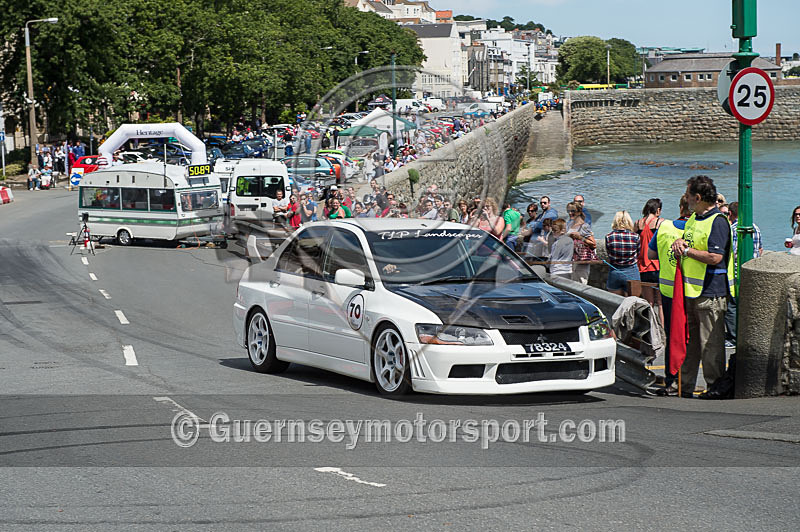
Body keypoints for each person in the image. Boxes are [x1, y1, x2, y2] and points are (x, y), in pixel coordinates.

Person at [670, 175, 735, 398]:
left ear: (697, 197)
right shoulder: (694, 219)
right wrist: (680, 243)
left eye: (688, 195)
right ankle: (683, 386)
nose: (685, 199)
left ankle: (715, 387)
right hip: (691, 290)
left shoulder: (718, 221)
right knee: (690, 343)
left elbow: (716, 257)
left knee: (711, 345)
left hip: (711, 292)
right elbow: (688, 240)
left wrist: (687, 251)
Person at [647, 196, 691, 395]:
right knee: (690, 338)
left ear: (680, 207)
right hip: (692, 291)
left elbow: (651, 255)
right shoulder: (697, 229)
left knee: (672, 336)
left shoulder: (664, 227)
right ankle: (686, 381)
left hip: (668, 290)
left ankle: (672, 379)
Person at [724, 201, 763, 347]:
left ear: (731, 214)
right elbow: (760, 249)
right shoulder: (756, 227)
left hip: (736, 272)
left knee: (732, 304)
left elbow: (732, 252)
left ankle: (734, 337)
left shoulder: (733, 229)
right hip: (753, 270)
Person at [605, 211, 641, 296]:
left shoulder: (609, 237)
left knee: (615, 303)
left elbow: (609, 253)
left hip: (614, 271)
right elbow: (638, 253)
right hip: (631, 270)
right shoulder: (635, 236)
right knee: (633, 303)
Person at [635, 198, 664, 285]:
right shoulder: (660, 222)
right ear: (658, 210)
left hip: (642, 266)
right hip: (657, 265)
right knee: (659, 297)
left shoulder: (637, 223)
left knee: (646, 297)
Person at [566, 202, 596, 284]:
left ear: (579, 212)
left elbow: (593, 244)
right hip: (571, 260)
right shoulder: (569, 225)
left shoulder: (584, 226)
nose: (570, 213)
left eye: (572, 211)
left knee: (580, 284)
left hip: (581, 261)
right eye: (568, 211)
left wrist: (580, 237)